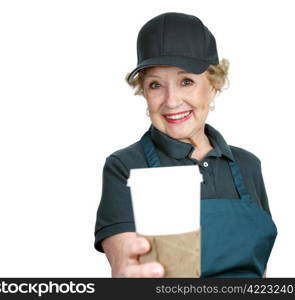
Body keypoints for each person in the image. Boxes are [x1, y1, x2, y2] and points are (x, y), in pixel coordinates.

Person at [94, 12, 277, 278]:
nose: (171, 100)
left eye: (186, 81)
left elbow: (260, 272)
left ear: (213, 84)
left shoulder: (248, 165)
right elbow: (125, 265)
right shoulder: (126, 167)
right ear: (144, 92)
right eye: (156, 85)